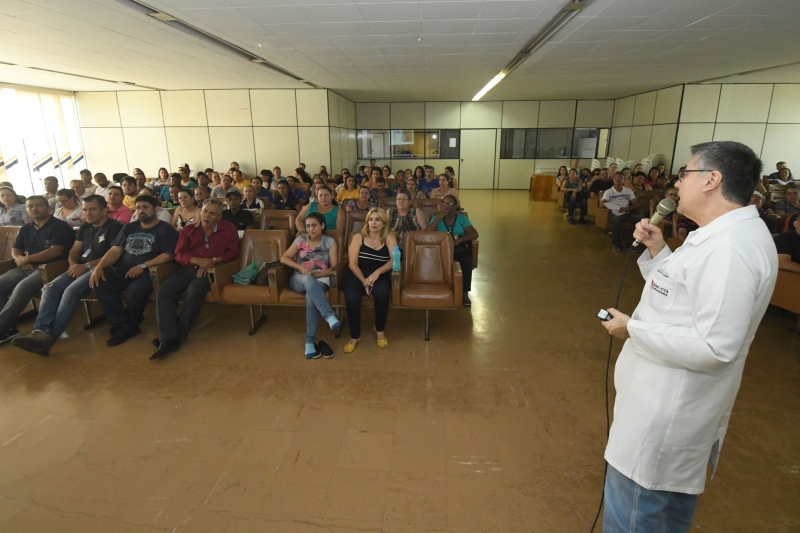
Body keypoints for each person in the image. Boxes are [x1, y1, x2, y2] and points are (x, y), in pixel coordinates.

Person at [600, 141, 778, 533]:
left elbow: (715, 347)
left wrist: (633, 328)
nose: (677, 183)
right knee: (663, 517)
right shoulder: (717, 237)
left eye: (685, 173)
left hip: (664, 418)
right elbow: (683, 296)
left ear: (712, 180)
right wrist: (660, 252)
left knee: (636, 517)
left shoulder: (731, 249)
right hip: (666, 411)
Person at [12, 195, 124, 356]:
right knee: (49, 287)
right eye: (85, 210)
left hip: (101, 268)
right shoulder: (85, 228)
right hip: (78, 267)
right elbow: (75, 250)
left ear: (104, 210)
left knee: (71, 291)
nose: (88, 213)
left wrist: (84, 266)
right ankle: (40, 331)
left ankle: (51, 337)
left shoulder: (114, 227)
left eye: (92, 209)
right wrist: (72, 264)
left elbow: (113, 255)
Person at [151, 199, 239, 360]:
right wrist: (198, 261)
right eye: (205, 211)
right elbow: (179, 253)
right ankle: (169, 338)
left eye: (212, 213)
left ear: (219, 216)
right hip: (188, 268)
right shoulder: (189, 230)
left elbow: (233, 253)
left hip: (211, 270)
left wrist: (213, 261)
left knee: (194, 292)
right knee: (164, 292)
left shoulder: (229, 229)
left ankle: (174, 337)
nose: (207, 215)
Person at [89, 195, 179, 347]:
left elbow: (168, 255)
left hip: (148, 271)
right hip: (123, 269)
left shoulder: (165, 229)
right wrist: (99, 267)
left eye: (145, 207)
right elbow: (115, 250)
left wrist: (142, 266)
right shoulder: (129, 227)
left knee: (134, 293)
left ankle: (130, 324)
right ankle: (124, 325)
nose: (141, 211)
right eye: (138, 208)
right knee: (100, 285)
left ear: (156, 209)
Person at [0, 196, 75, 344]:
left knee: (22, 288)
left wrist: (27, 259)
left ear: (48, 208)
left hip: (50, 268)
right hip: (26, 266)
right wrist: (19, 259)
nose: (34, 209)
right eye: (30, 206)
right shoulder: (27, 228)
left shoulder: (60, 226)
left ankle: (1, 326)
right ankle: (9, 328)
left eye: (39, 205)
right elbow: (16, 249)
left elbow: (55, 251)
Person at [279, 211, 341, 359]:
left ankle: (309, 341)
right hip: (299, 278)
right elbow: (284, 258)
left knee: (310, 297)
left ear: (322, 225)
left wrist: (321, 274)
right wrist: (301, 268)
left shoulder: (330, 242)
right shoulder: (301, 239)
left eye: (314, 225)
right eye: (308, 226)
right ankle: (328, 315)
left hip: (321, 278)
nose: (311, 229)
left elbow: (334, 267)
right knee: (308, 280)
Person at [342, 207, 397, 354]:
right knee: (352, 297)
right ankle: (355, 335)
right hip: (357, 274)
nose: (373, 223)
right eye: (370, 219)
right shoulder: (358, 237)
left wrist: (377, 273)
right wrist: (364, 280)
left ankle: (379, 330)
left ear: (384, 223)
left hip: (379, 274)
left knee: (383, 293)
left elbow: (394, 260)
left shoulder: (390, 237)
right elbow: (352, 264)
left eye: (378, 219)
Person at [427, 194, 478, 307]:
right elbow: (427, 233)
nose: (446, 206)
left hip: (459, 250)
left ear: (454, 206)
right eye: (444, 203)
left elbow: (474, 233)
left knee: (466, 261)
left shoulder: (461, 218)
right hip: (442, 251)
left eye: (449, 204)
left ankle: (464, 292)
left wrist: (461, 239)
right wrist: (439, 218)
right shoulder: (437, 218)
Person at [602, 172, 641, 252]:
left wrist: (625, 209)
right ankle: (616, 244)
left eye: (621, 178)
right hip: (613, 213)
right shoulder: (609, 191)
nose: (618, 180)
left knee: (640, 219)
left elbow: (636, 204)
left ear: (624, 180)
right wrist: (616, 208)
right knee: (617, 220)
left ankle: (631, 244)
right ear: (613, 180)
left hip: (626, 212)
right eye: (616, 178)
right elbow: (603, 202)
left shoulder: (628, 191)